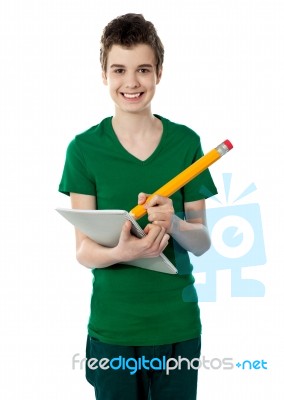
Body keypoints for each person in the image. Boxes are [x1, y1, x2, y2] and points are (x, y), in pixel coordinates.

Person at [59, 13, 217, 400]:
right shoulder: (83, 150)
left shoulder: (185, 144)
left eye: (143, 69)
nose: (131, 82)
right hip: (113, 329)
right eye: (119, 70)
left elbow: (202, 242)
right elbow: (83, 251)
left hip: (177, 327)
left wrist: (176, 225)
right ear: (104, 74)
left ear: (159, 72)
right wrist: (120, 251)